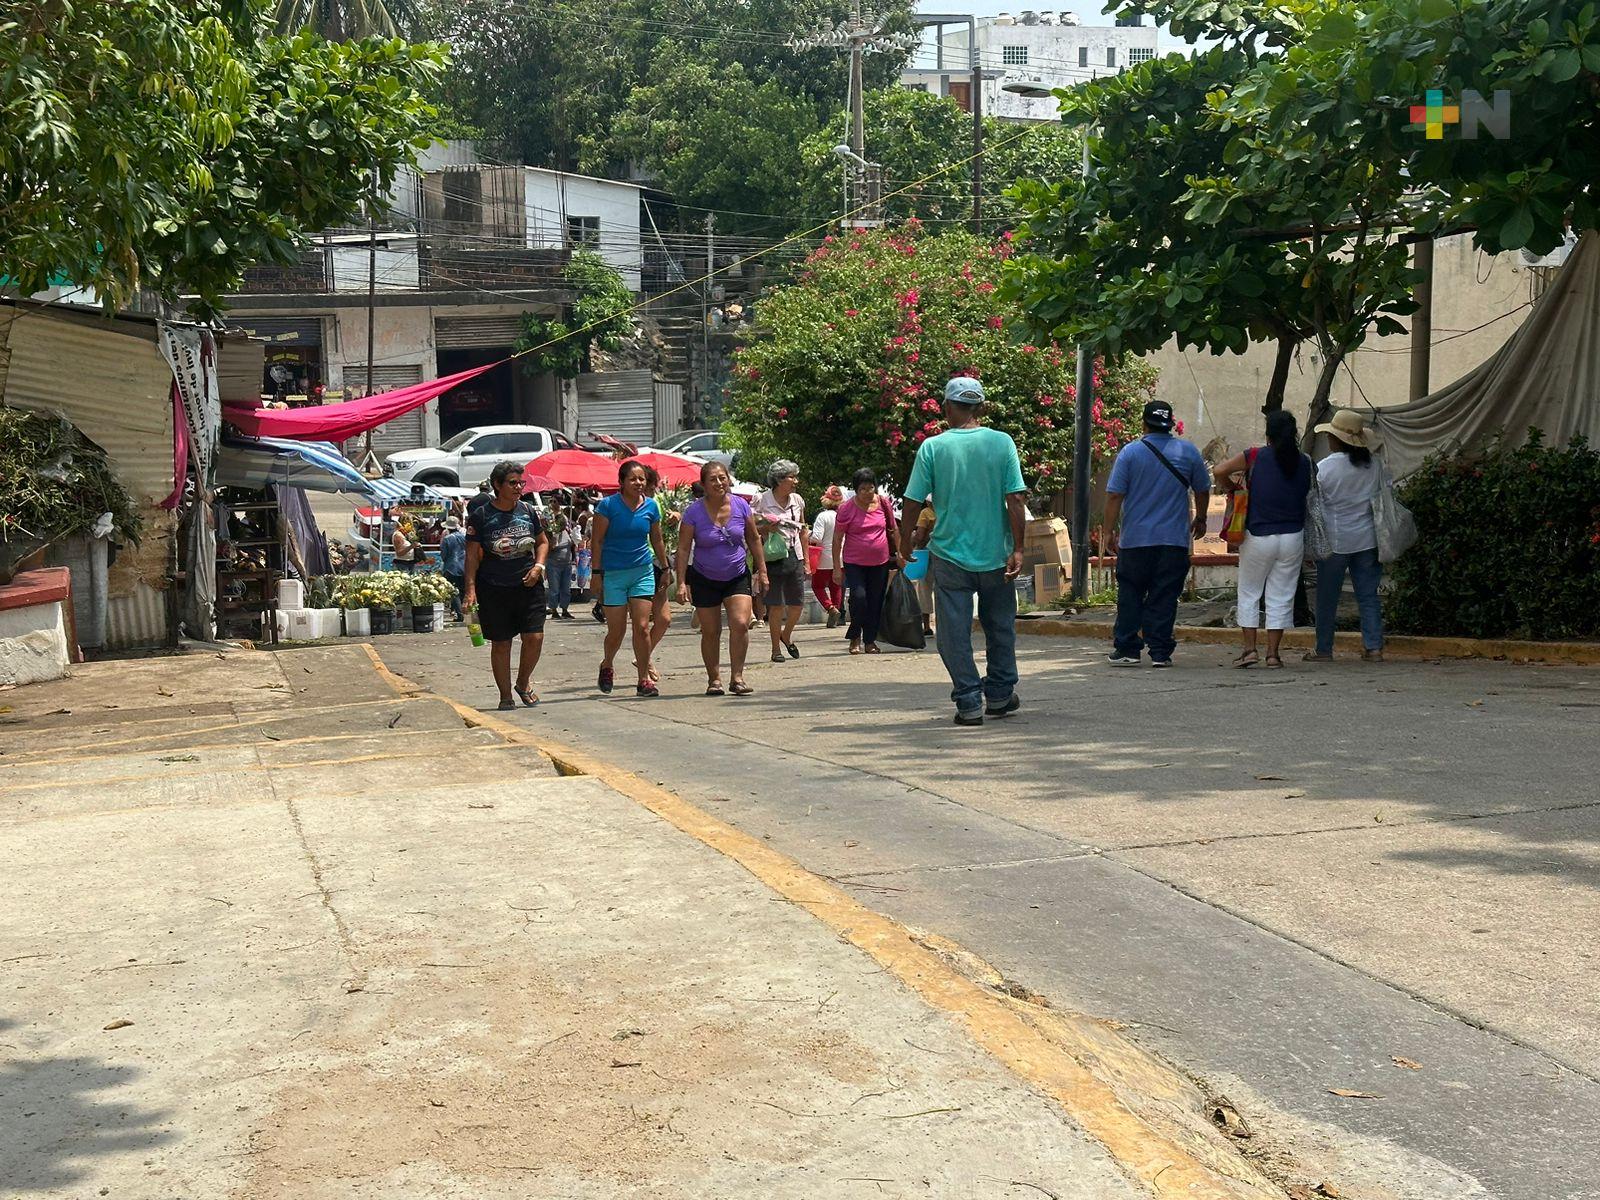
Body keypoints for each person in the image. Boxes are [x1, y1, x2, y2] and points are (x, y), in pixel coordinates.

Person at [899, 377, 1027, 727]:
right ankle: (1000, 694)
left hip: (950, 555)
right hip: (997, 556)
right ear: (981, 407)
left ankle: (970, 700)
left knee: (953, 632)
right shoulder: (1002, 443)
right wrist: (1018, 547)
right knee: (1000, 626)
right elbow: (1015, 498)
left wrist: (903, 542)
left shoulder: (933, 447)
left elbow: (912, 500)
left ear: (946, 407)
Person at [1103, 400, 1212, 668]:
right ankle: (1160, 652)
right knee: (1165, 595)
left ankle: (1128, 648)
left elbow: (1116, 494)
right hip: (1173, 540)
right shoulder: (1188, 452)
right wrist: (1201, 517)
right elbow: (1202, 488)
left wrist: (1107, 531)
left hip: (1136, 541)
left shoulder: (1130, 453)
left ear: (1144, 423)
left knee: (1130, 593)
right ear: (1171, 424)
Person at [1215, 411, 1311, 669]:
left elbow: (1219, 470)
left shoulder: (1255, 456)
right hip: (1292, 536)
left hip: (1258, 534)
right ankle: (1273, 655)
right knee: (1281, 595)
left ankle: (1249, 651)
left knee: (1249, 591)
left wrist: (1233, 488)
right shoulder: (1304, 462)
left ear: (1269, 434)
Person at [675, 461, 768, 696]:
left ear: (729, 479)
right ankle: (714, 679)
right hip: (704, 576)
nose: (719, 483)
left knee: (739, 623)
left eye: (722, 477)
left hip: (736, 574)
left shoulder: (741, 506)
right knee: (711, 631)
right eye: (713, 479)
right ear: (704, 484)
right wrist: (682, 583)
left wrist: (763, 570)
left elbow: (754, 539)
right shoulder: (693, 512)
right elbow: (684, 548)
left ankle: (737, 677)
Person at [463, 461, 549, 710]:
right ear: (497, 486)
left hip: (528, 584)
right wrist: (470, 590)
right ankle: (505, 695)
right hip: (494, 587)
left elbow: (543, 543)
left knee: (535, 636)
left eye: (521, 482)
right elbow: (471, 556)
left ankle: (523, 683)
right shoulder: (481, 516)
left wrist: (539, 567)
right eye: (513, 483)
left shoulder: (529, 511)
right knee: (501, 643)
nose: (519, 487)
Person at [1306, 409, 1385, 662]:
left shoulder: (1325, 468)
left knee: (1327, 599)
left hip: (1334, 542)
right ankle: (1374, 647)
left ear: (1336, 439)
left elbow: (1313, 502)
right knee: (1368, 596)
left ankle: (1324, 649)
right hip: (1368, 539)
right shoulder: (1376, 465)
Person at [591, 460, 669, 697]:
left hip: (642, 571)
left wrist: (665, 567)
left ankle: (643, 679)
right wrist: (596, 574)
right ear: (622, 482)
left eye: (642, 479)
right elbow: (597, 541)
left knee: (643, 627)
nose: (638, 483)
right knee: (617, 630)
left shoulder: (651, 507)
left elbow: (657, 539)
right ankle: (607, 664)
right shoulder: (607, 506)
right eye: (633, 479)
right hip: (613, 574)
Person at [833, 468, 901, 655]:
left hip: (880, 561)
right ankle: (855, 637)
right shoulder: (846, 508)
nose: (868, 492)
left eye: (871, 487)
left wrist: (901, 554)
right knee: (859, 598)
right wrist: (836, 569)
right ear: (856, 490)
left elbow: (894, 530)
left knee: (875, 601)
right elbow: (838, 538)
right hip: (854, 562)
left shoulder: (884, 503)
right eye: (863, 488)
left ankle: (870, 640)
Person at [755, 460, 809, 663]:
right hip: (772, 557)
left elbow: (803, 530)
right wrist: (765, 528)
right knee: (776, 605)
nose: (795, 481)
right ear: (779, 480)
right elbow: (752, 527)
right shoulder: (763, 500)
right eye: (791, 477)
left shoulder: (797, 500)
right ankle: (775, 649)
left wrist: (806, 562)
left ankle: (786, 635)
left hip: (794, 555)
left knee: (797, 604)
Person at [640, 466, 674, 682]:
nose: (650, 490)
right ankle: (643, 668)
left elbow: (660, 535)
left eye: (651, 486)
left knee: (663, 619)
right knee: (640, 623)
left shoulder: (654, 503)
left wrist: (676, 516)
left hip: (657, 562)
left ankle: (645, 654)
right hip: (635, 565)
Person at [810, 486, 845, 627]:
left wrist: (807, 536)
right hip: (841, 557)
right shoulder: (843, 515)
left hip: (823, 558)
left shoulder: (823, 516)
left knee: (817, 586)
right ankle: (835, 610)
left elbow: (817, 538)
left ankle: (830, 608)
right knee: (836, 587)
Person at [545, 502, 577, 620]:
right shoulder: (550, 533)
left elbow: (573, 544)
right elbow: (550, 547)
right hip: (554, 563)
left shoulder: (568, 532)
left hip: (567, 563)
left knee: (566, 589)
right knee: (554, 589)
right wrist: (553, 540)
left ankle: (564, 609)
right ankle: (553, 610)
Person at [913, 503, 936, 636]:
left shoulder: (925, 513)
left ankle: (926, 626)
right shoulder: (947, 509)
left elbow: (920, 537)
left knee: (924, 590)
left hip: (926, 553)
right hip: (945, 553)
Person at [439, 516, 467, 621]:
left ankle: (460, 614)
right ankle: (465, 611)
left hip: (451, 567)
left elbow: (444, 555)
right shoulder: (464, 537)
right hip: (464, 566)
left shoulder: (447, 539)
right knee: (463, 590)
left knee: (453, 591)